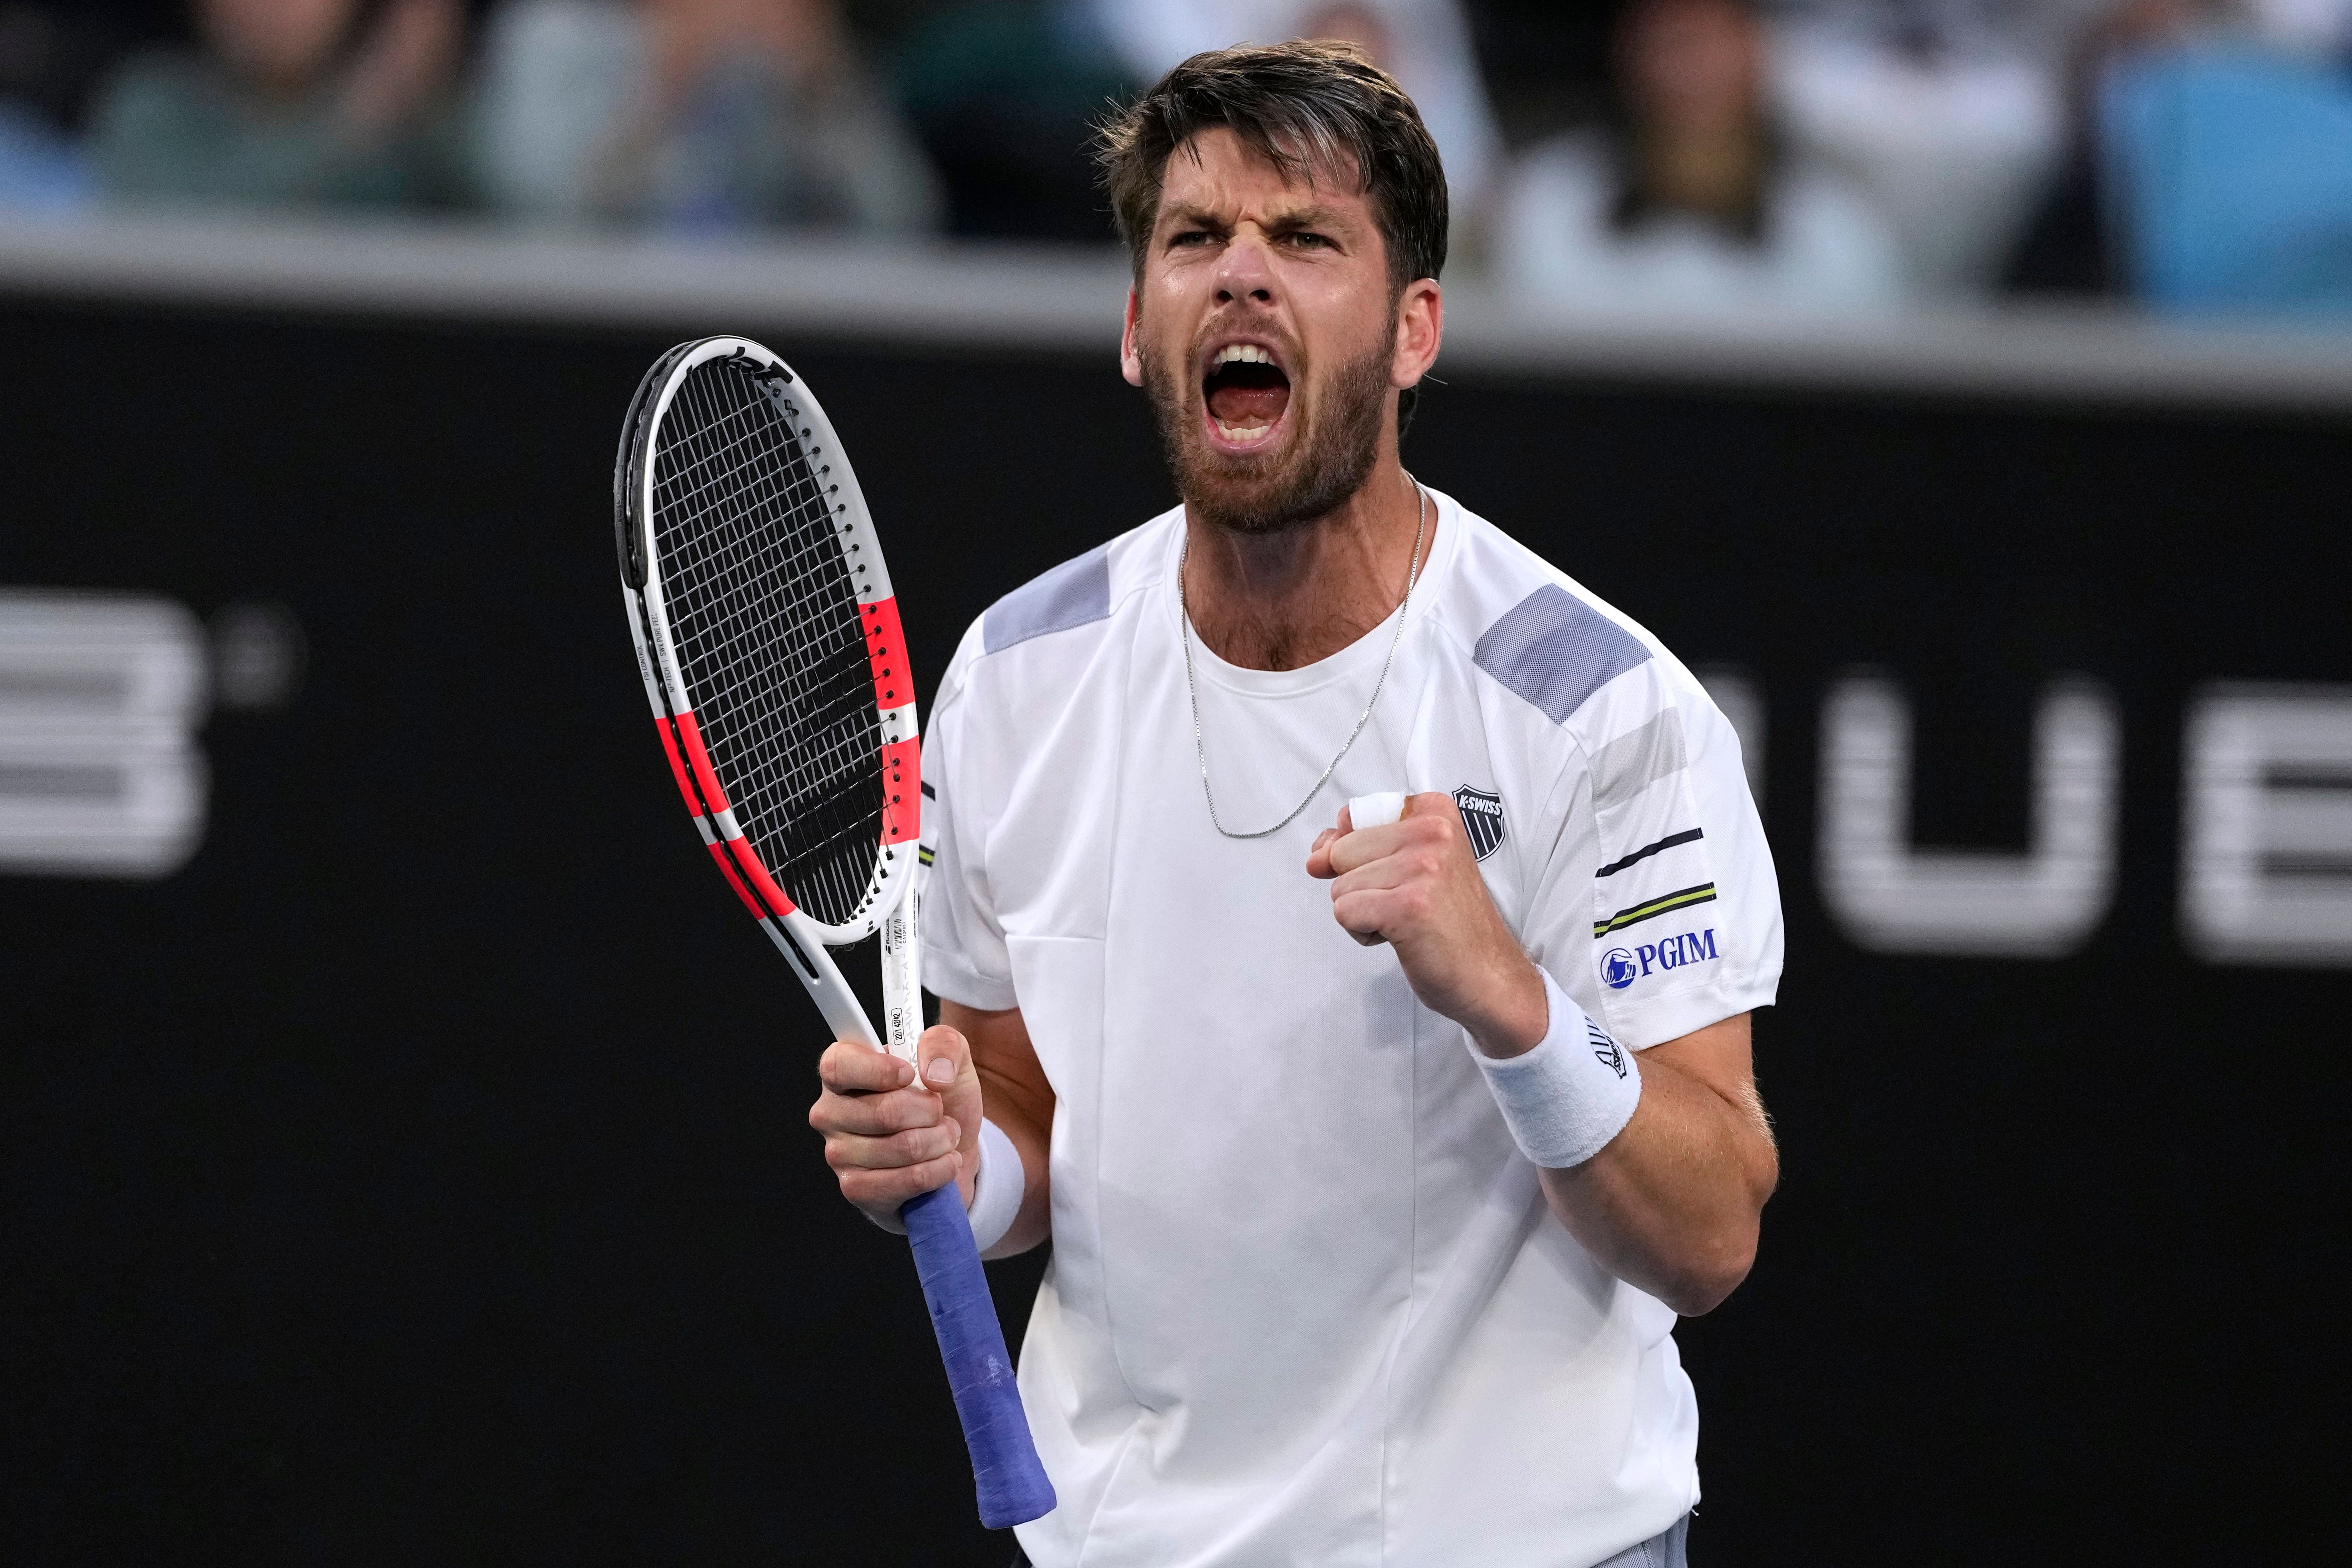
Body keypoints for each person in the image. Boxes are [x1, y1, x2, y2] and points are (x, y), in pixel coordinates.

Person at [808, 40, 1782, 1568]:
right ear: (1138, 328)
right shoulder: (1016, 672)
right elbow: (1024, 1129)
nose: (1240, 279)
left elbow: (1710, 1231)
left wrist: (1515, 1012)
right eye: (1195, 240)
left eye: (1305, 240)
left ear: (1413, 333)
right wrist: (951, 1158)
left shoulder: (1601, 709)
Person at [1494, 0, 1901, 312]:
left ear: (1760, 53)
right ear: (1625, 51)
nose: (1688, 71)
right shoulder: (1546, 205)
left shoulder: (1840, 232)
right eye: (1668, 38)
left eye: (1710, 39)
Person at [469, 0, 937, 233]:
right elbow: (530, 219)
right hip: (594, 334)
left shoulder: (778, 57)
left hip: (763, 341)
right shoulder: (557, 39)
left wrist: (823, 90)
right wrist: (659, 97)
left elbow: (902, 219)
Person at [89, 0, 466, 210]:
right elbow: (217, 241)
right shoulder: (153, 106)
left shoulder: (410, 122)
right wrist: (360, 115)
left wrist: (424, 92)